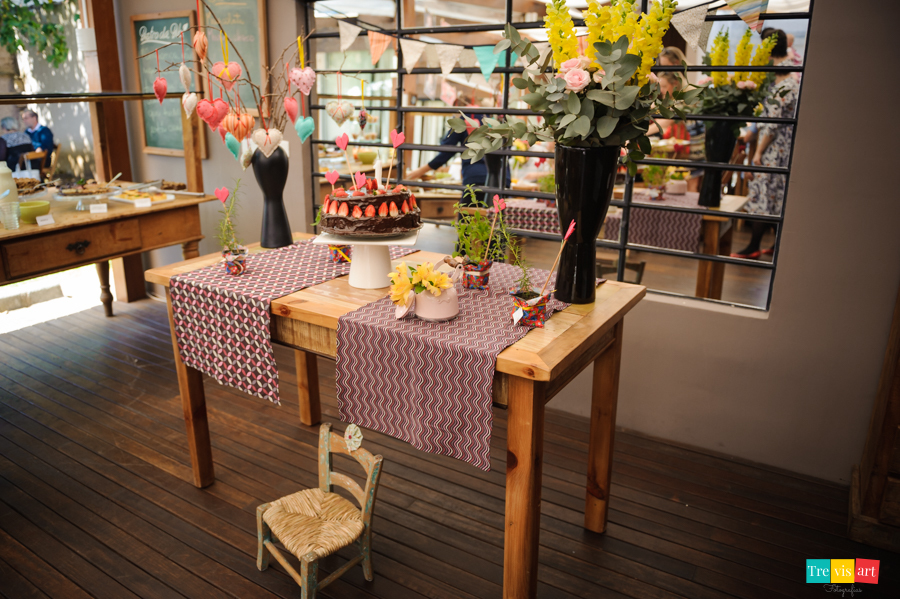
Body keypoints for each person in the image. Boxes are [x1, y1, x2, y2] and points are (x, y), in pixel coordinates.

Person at [732, 29, 799, 259]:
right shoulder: (784, 78)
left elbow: (772, 123)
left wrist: (758, 153)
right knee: (773, 195)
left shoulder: (784, 83)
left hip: (774, 148)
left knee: (763, 194)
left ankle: (754, 247)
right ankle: (775, 246)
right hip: (779, 146)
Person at [406, 99, 508, 205]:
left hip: (475, 178)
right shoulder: (492, 118)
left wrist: (416, 173)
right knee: (497, 217)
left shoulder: (464, 119)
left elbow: (446, 150)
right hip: (503, 177)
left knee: (466, 217)